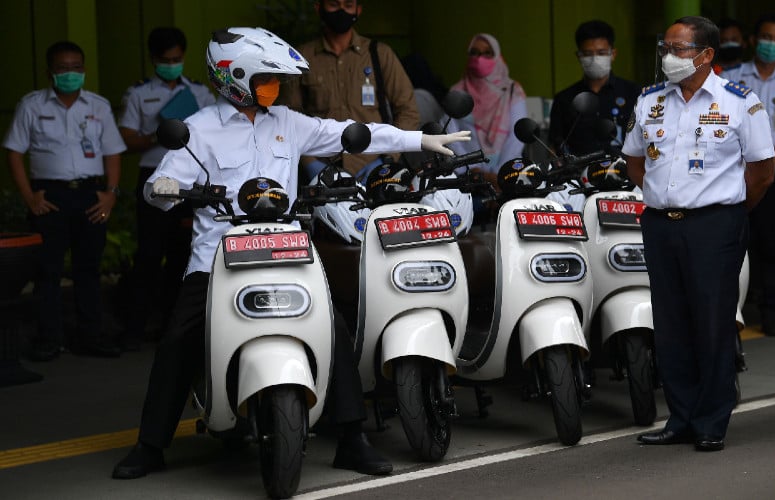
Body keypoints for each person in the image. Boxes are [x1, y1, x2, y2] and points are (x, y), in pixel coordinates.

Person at [111, 27, 469, 480]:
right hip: (219, 257)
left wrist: (417, 141)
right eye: (266, 80)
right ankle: (150, 445)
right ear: (233, 78)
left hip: (287, 251)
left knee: (334, 329)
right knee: (179, 338)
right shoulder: (197, 131)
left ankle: (352, 440)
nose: (275, 88)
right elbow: (158, 189)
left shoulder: (287, 122)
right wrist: (164, 189)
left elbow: (349, 133)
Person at [623, 16, 774, 451]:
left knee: (711, 324)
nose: (669, 57)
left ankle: (711, 421)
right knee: (671, 325)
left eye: (679, 49)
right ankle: (681, 417)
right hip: (659, 224)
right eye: (665, 47)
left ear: (707, 55)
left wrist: (726, 212)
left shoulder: (739, 103)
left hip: (716, 225)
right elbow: (636, 162)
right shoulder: (650, 101)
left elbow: (762, 172)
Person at [3, 41, 127, 362]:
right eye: (63, 68)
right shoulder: (31, 106)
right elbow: (14, 152)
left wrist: (111, 195)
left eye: (76, 67)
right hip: (49, 197)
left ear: (84, 70)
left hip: (91, 195)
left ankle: (91, 336)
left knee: (89, 269)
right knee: (48, 271)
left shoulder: (98, 106)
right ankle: (50, 339)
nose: (70, 73)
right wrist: (29, 197)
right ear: (50, 72)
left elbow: (113, 152)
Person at [117, 27, 216, 351]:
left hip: (191, 179)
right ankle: (134, 328)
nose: (171, 64)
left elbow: (215, 132)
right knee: (149, 254)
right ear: (153, 59)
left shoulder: (200, 93)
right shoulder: (138, 93)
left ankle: (175, 329)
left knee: (183, 254)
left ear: (183, 57)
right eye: (164, 60)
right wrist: (159, 134)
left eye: (176, 59)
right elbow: (126, 138)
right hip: (155, 176)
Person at [277, 0, 419, 181]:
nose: (341, 11)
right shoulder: (301, 58)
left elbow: (408, 110)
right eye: (334, 5)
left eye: (348, 5)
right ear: (318, 8)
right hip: (322, 167)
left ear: (358, 10)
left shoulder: (379, 54)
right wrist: (309, 162)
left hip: (374, 166)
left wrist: (388, 158)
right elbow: (286, 118)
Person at [721, 14, 775, 337]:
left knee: (774, 244)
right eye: (767, 36)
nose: (772, 44)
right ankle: (729, 312)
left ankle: (772, 311)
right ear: (753, 40)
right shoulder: (730, 76)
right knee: (733, 241)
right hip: (733, 172)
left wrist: (766, 165)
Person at [548, 20, 640, 156]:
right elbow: (554, 148)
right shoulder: (564, 99)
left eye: (601, 53)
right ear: (579, 56)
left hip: (623, 173)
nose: (595, 59)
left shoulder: (633, 93)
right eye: (588, 54)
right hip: (578, 175)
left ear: (613, 54)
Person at [448, 33, 527, 184]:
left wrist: (500, 174)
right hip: (468, 177)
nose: (479, 58)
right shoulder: (456, 93)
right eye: (474, 52)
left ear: (497, 56)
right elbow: (451, 136)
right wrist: (475, 170)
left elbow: (517, 136)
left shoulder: (512, 91)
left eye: (487, 53)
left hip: (509, 175)